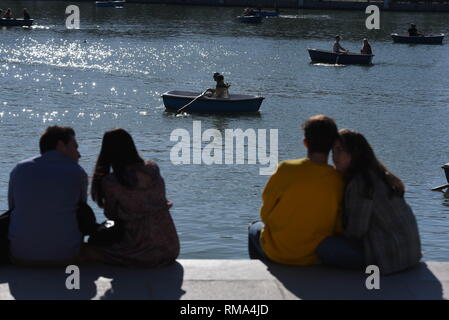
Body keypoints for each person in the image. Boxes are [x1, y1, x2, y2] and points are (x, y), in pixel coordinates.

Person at [317, 129, 422, 275]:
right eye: (333, 151)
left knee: (324, 246)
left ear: (355, 153)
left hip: (389, 260)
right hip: (410, 255)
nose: (334, 156)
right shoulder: (379, 174)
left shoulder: (361, 183)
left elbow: (355, 232)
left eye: (339, 150)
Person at [248, 115, 344, 265]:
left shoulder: (286, 168)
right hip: (311, 256)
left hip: (276, 252)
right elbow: (337, 225)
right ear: (332, 145)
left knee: (254, 227)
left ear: (305, 143)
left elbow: (265, 214)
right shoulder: (338, 179)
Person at [86, 129, 179, 267]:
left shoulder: (111, 182)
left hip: (140, 250)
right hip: (170, 247)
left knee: (87, 248)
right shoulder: (153, 169)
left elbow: (111, 214)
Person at [8, 126, 89, 266]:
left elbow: (12, 207)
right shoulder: (77, 172)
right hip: (65, 255)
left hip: (21, 254)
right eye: (75, 147)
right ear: (60, 145)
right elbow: (81, 210)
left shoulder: (19, 169)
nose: (79, 154)